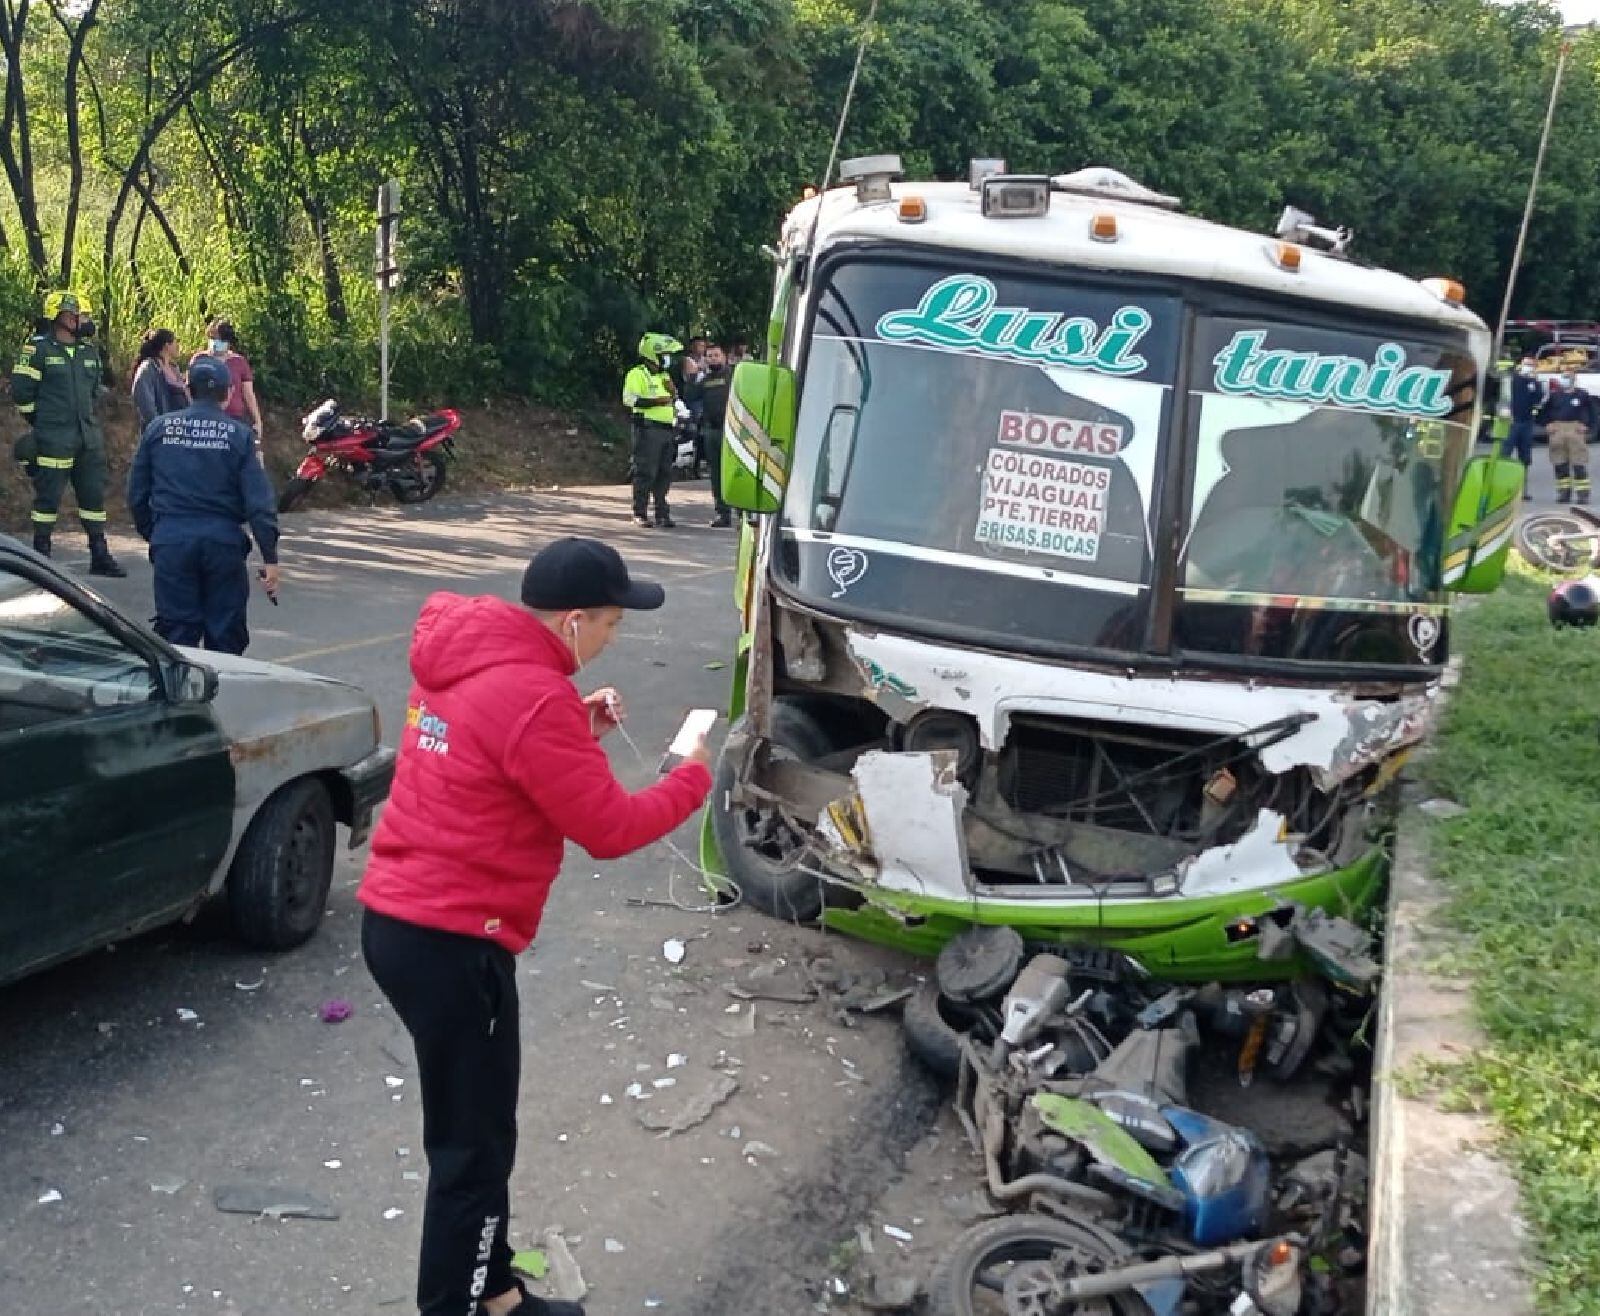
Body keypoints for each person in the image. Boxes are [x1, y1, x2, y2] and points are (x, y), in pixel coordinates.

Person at [358, 536, 714, 1316]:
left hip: (403, 923)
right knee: (473, 1149)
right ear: (574, 620)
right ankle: (456, 1306)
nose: (613, 640)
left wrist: (573, 727)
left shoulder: (471, 663)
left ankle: (499, 1296)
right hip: (453, 941)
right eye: (612, 626)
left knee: (481, 1129)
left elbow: (495, 763)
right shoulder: (531, 695)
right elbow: (611, 828)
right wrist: (691, 777)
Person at [126, 356, 280, 653]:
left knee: (176, 639)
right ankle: (220, 696)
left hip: (172, 542)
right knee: (225, 637)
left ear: (187, 389)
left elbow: (136, 493)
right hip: (222, 545)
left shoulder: (158, 429)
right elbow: (259, 503)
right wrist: (270, 557)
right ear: (229, 393)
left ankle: (180, 698)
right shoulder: (239, 436)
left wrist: (157, 533)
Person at [9, 290, 125, 575]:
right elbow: (22, 392)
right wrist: (44, 422)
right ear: (59, 317)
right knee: (48, 499)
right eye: (78, 315)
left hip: (87, 437)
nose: (83, 321)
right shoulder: (38, 350)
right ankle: (41, 557)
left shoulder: (89, 352)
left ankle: (100, 555)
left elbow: (94, 390)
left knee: (93, 498)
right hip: (53, 437)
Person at [623, 332, 681, 528]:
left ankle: (662, 513)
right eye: (664, 354)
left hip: (666, 429)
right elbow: (630, 400)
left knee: (665, 472)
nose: (668, 358)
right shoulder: (637, 374)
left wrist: (673, 392)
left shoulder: (664, 376)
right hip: (647, 429)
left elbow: (673, 399)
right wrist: (658, 401)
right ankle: (639, 512)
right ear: (653, 354)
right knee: (645, 472)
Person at [200, 318, 264, 450]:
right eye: (212, 338)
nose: (214, 342)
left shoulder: (239, 362)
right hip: (207, 419)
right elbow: (190, 390)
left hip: (234, 418)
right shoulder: (200, 359)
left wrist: (257, 420)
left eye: (219, 339)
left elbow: (248, 394)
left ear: (227, 341)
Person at [1537, 372, 1596, 504]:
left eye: (1568, 377)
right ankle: (1564, 493)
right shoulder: (1554, 395)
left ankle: (1583, 495)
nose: (1565, 380)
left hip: (1575, 429)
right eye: (1563, 377)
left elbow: (1593, 413)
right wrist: (1547, 424)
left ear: (1574, 380)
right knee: (1560, 464)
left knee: (1579, 464)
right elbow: (1542, 413)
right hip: (1558, 430)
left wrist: (1588, 426)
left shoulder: (1582, 395)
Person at [131, 328, 191, 431]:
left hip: (179, 432)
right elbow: (144, 401)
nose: (178, 347)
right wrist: (158, 427)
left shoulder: (174, 368)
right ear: (167, 346)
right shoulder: (149, 368)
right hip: (160, 432)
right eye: (175, 342)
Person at [699, 342, 733, 526]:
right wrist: (695, 375)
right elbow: (690, 395)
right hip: (712, 431)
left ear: (724, 357)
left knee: (735, 472)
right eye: (709, 356)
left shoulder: (733, 376)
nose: (713, 359)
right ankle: (722, 513)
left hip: (731, 430)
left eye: (716, 355)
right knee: (716, 474)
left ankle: (744, 514)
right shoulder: (704, 380)